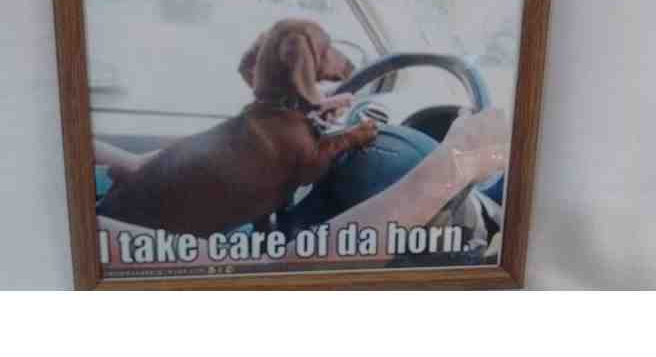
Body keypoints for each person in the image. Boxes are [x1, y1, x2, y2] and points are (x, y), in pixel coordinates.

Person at [95, 108, 508, 266]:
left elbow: (132, 168)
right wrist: (454, 163)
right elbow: (273, 277)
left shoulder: (78, 168)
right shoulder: (79, 239)